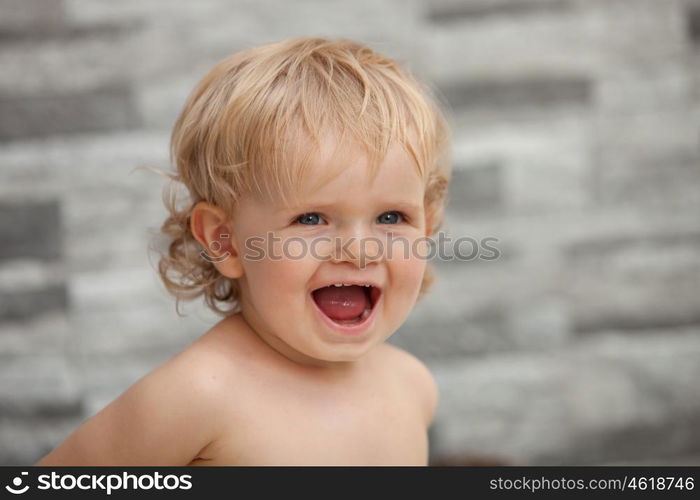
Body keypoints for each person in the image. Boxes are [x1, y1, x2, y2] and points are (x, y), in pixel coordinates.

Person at [35, 36, 451, 466]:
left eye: (391, 218)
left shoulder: (411, 386)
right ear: (226, 240)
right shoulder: (197, 398)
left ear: (427, 225)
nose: (360, 251)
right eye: (311, 219)